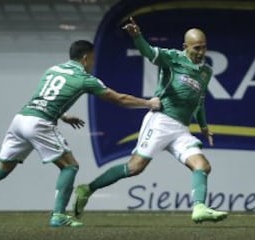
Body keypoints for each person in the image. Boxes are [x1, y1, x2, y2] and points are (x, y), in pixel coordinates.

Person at [0, 40, 161, 227]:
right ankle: (58, 216)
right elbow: (119, 99)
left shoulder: (52, 70)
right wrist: (148, 103)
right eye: (93, 59)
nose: (94, 63)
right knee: (70, 166)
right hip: (39, 124)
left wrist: (63, 115)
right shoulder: (85, 78)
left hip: (21, 119)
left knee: (1, 169)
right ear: (86, 57)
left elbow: (44, 98)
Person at [73, 17, 228, 223]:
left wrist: (204, 127)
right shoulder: (172, 58)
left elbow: (199, 102)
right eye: (196, 48)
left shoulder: (206, 72)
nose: (201, 52)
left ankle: (199, 208)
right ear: (185, 47)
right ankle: (87, 189)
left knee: (202, 166)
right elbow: (148, 52)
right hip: (161, 121)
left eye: (204, 48)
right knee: (135, 168)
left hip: (181, 129)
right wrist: (137, 36)